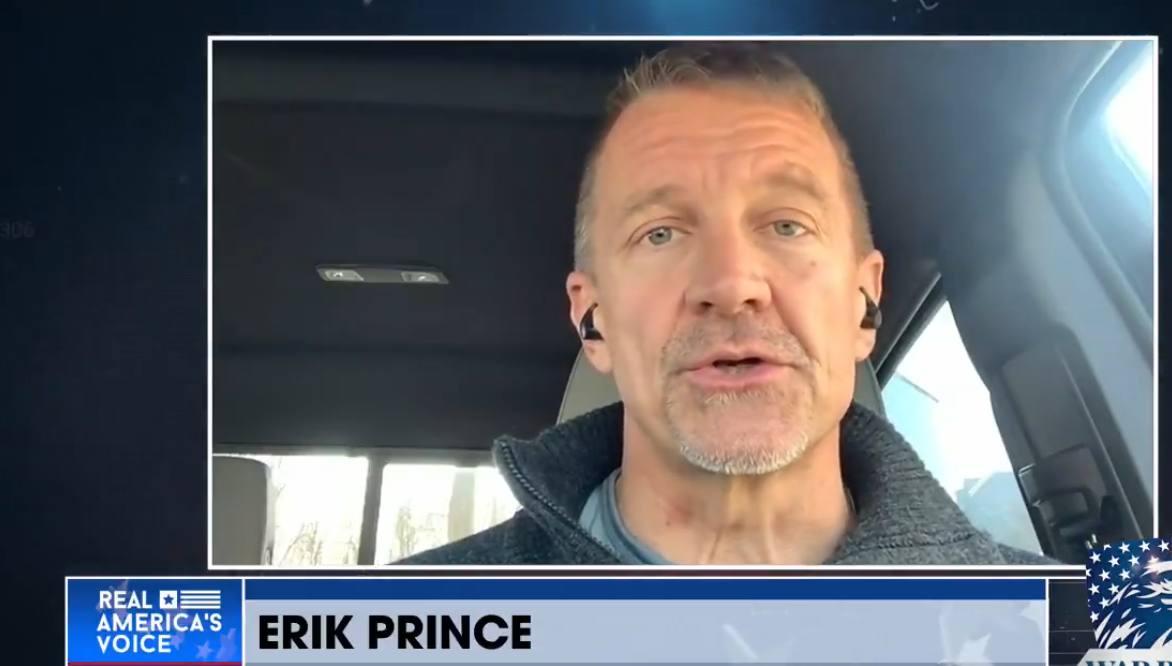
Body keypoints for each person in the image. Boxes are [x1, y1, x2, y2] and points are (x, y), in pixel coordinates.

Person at [402, 42, 1056, 566]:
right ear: (592, 321)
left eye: (788, 225)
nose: (731, 281)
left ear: (863, 301)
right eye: (660, 233)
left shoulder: (1082, 635)